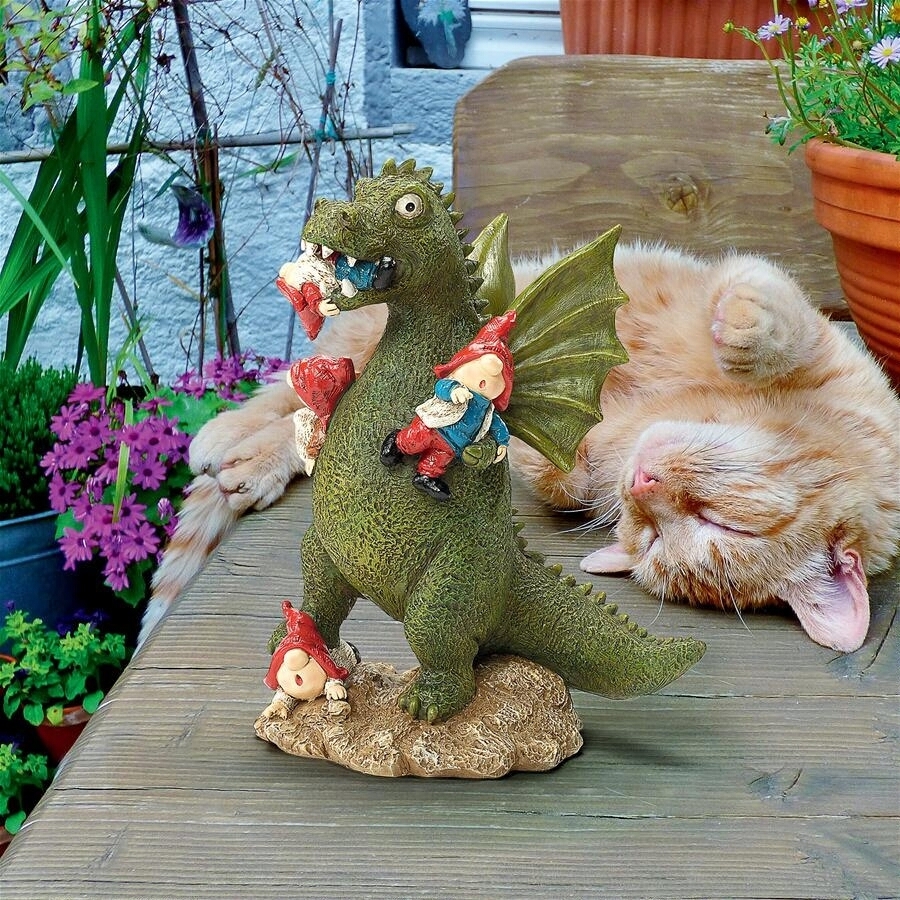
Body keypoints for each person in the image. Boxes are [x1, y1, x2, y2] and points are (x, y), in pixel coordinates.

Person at [381, 310, 516, 501]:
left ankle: (426, 477)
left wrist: (503, 442)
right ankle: (397, 442)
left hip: (452, 445)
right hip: (434, 427)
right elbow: (441, 387)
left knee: (438, 459)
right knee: (414, 441)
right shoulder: (455, 385)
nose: (483, 382)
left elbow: (496, 424)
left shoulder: (487, 409)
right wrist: (454, 390)